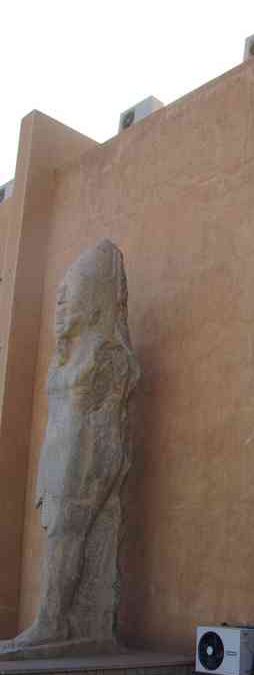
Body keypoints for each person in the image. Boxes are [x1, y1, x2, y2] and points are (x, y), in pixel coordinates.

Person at [2, 240, 139, 650]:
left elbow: (110, 421)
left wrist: (100, 470)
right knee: (59, 534)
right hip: (58, 453)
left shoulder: (106, 353)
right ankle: (60, 620)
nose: (60, 303)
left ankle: (54, 621)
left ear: (97, 302)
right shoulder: (66, 357)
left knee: (68, 533)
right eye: (58, 296)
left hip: (87, 454)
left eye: (71, 293)